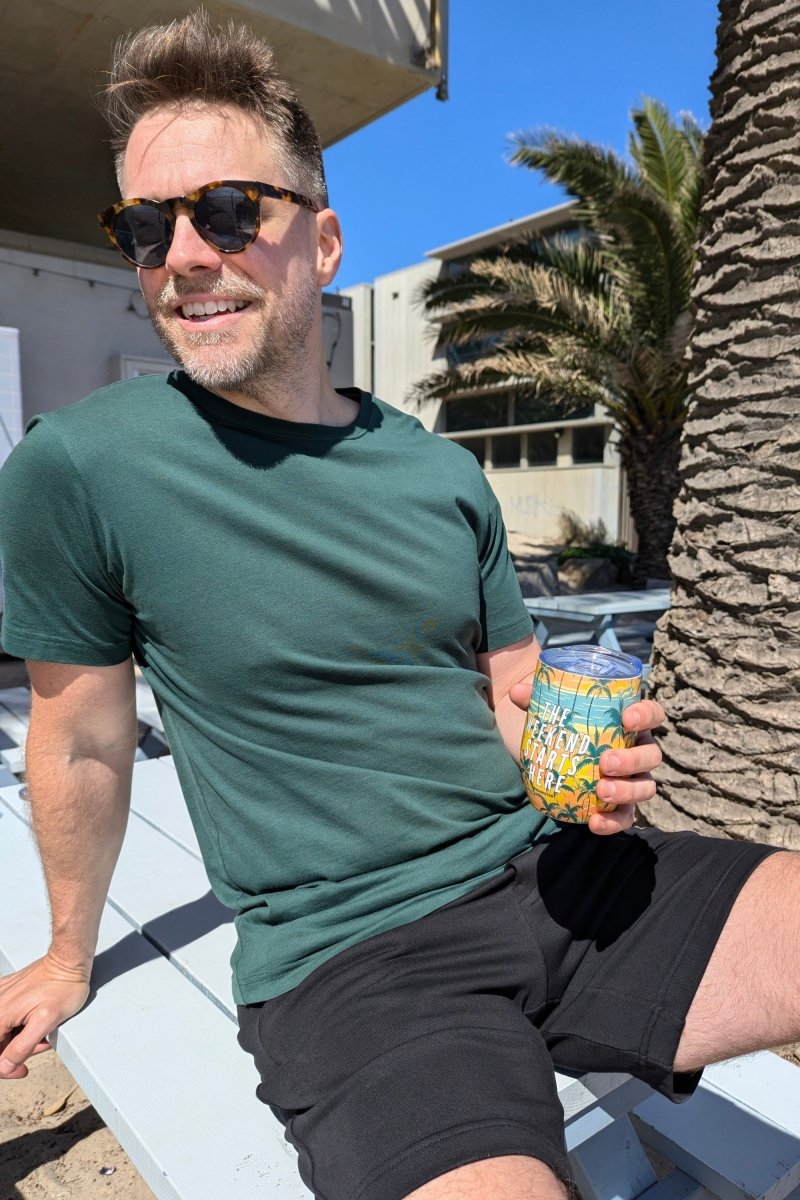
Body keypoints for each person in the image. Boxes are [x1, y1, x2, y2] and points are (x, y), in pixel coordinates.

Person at [0, 12, 797, 1200]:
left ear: (321, 241)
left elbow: (510, 688)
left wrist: (585, 759)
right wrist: (68, 956)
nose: (186, 255)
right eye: (145, 227)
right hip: (358, 965)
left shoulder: (436, 471)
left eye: (228, 210)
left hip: (554, 873)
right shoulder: (79, 466)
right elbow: (79, 739)